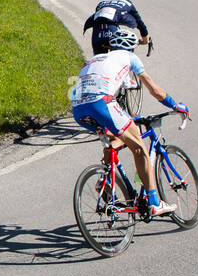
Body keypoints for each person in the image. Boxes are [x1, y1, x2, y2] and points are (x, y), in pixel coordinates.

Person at [71, 27, 189, 216]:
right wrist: (176, 106)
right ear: (132, 48)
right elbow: (155, 91)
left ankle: (106, 177)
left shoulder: (95, 59)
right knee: (139, 147)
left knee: (116, 139)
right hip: (101, 102)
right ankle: (154, 202)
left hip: (78, 108)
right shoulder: (129, 57)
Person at [83, 0, 150, 55]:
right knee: (118, 59)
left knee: (98, 59)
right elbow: (139, 22)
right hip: (112, 30)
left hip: (97, 32)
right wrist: (145, 39)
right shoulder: (128, 3)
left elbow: (102, 18)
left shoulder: (102, 2)